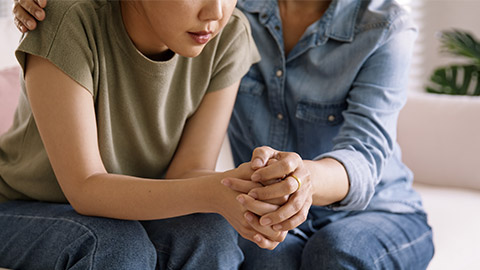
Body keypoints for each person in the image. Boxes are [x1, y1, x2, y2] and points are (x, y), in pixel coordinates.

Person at [13, 0, 436, 269]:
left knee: (326, 252)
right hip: (30, 203)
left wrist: (267, 185)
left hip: (370, 208)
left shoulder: (381, 26)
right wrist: (227, 190)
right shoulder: (71, 19)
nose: (214, 12)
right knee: (120, 246)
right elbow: (90, 188)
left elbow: (365, 152)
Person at [0, 0, 287, 269]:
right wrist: (214, 191)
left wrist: (245, 186)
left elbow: (187, 172)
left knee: (210, 233)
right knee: (113, 244)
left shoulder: (228, 34)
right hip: (21, 207)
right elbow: (84, 188)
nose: (215, 12)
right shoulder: (71, 20)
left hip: (130, 213)